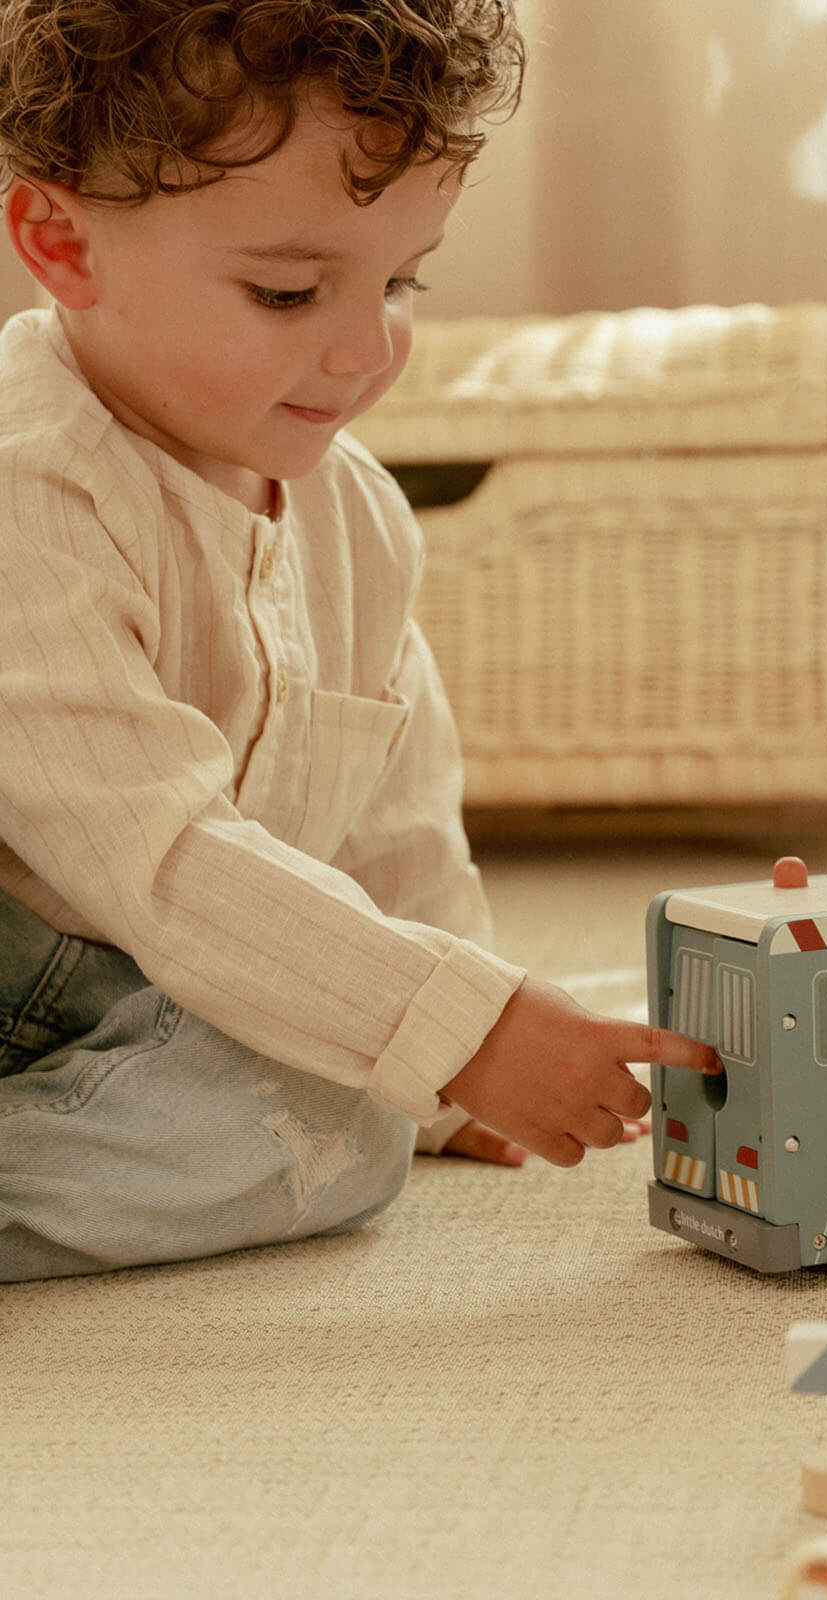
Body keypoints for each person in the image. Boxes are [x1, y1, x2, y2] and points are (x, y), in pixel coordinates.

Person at [0, 0, 722, 1283]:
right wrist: (457, 1027)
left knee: (326, 1121)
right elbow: (160, 858)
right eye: (286, 290)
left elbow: (392, 821)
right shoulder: (33, 485)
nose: (365, 346)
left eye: (399, 280)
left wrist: (454, 1062)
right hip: (45, 938)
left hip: (119, 993)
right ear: (61, 244)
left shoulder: (356, 516)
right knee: (332, 1102)